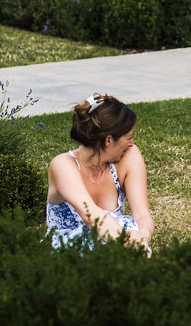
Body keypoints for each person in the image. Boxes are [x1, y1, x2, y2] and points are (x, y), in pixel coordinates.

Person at [46, 93, 154, 252]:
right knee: (123, 225)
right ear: (108, 140)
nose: (131, 143)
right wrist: (128, 242)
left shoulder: (128, 156)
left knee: (130, 225)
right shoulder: (63, 165)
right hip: (66, 253)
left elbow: (142, 215)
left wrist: (143, 234)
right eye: (129, 137)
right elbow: (93, 217)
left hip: (111, 246)